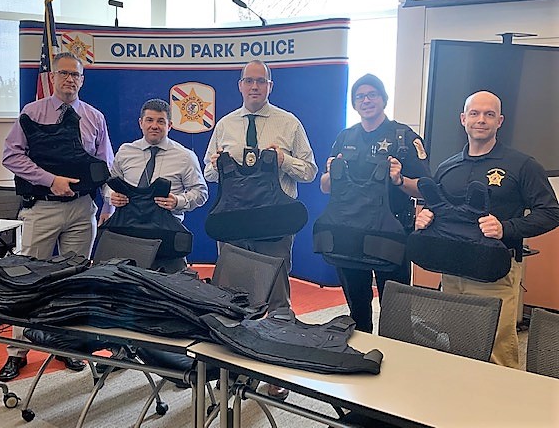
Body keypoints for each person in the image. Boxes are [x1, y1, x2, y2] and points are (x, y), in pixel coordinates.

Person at [415, 90, 559, 368]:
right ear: (463, 119)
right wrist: (425, 220)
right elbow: (440, 211)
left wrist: (506, 228)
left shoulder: (522, 165)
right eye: (475, 113)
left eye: (489, 114)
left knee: (495, 348)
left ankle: (501, 410)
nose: (481, 119)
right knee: (457, 343)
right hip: (453, 270)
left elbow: (551, 213)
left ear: (499, 121)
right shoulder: (447, 167)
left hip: (495, 271)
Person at [203, 59, 317, 400]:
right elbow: (210, 174)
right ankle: (239, 369)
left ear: (270, 86)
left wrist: (284, 161)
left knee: (277, 299)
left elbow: (309, 171)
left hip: (274, 224)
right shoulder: (224, 125)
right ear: (240, 85)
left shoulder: (289, 123)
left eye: (261, 81)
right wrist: (216, 164)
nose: (254, 87)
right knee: (235, 298)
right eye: (249, 81)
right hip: (234, 224)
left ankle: (277, 370)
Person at [0, 52, 115, 381]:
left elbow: (104, 165)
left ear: (82, 80)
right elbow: (10, 155)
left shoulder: (94, 117)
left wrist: (108, 205)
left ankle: (67, 347)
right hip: (43, 208)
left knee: (73, 282)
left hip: (82, 210)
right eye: (63, 73)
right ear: (53, 77)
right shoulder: (32, 113)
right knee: (26, 279)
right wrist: (50, 180)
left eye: (75, 75)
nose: (69, 80)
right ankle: (17, 352)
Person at [319, 73, 430, 334]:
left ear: (383, 99)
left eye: (372, 95)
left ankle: (397, 366)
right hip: (350, 234)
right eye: (360, 97)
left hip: (391, 234)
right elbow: (325, 187)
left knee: (396, 312)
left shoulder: (404, 137)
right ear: (354, 104)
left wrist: (400, 179)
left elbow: (426, 188)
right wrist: (330, 173)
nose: (366, 100)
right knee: (357, 313)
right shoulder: (345, 138)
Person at [105, 97, 208, 273]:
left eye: (161, 121)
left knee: (173, 291)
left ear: (170, 126)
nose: (154, 125)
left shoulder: (185, 156)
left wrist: (178, 201)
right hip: (128, 234)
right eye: (149, 120)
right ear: (141, 123)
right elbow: (109, 185)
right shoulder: (125, 152)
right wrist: (110, 196)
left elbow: (201, 192)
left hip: (166, 236)